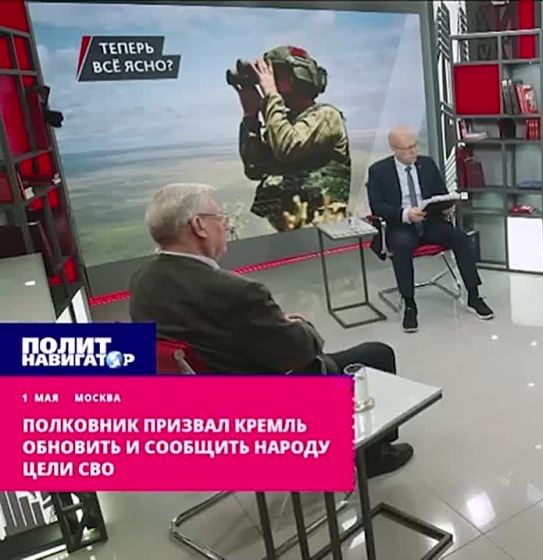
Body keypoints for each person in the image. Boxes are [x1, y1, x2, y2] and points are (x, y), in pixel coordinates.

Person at [129, 183, 413, 476]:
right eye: (220, 218)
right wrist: (300, 326)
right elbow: (299, 352)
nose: (226, 226)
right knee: (377, 354)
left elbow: (205, 333)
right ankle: (374, 458)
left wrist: (265, 325)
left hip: (200, 406)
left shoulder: (141, 282)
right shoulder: (236, 291)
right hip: (259, 404)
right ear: (199, 226)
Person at [367, 127, 494, 333]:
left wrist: (447, 206)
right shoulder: (378, 171)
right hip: (402, 225)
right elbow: (377, 207)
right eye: (407, 148)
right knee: (402, 246)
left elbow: (440, 194)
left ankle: (474, 296)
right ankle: (410, 304)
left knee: (461, 238)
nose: (413, 151)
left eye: (414, 146)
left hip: (430, 222)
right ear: (394, 149)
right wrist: (405, 214)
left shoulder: (426, 164)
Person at [235, 46, 351, 232]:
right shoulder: (284, 123)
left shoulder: (326, 116)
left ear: (299, 76)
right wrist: (250, 116)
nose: (269, 81)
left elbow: (287, 147)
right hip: (291, 229)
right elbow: (254, 168)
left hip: (324, 230)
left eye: (275, 76)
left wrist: (271, 95)